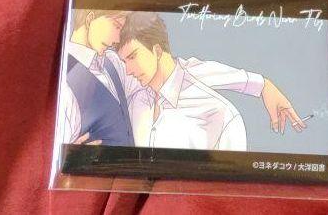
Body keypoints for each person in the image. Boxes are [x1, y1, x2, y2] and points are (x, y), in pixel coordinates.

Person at [61, 9, 303, 147]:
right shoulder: (115, 73)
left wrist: (261, 85)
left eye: (132, 57)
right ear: (91, 17)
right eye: (116, 25)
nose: (116, 37)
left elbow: (183, 69)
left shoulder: (220, 117)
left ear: (157, 50)